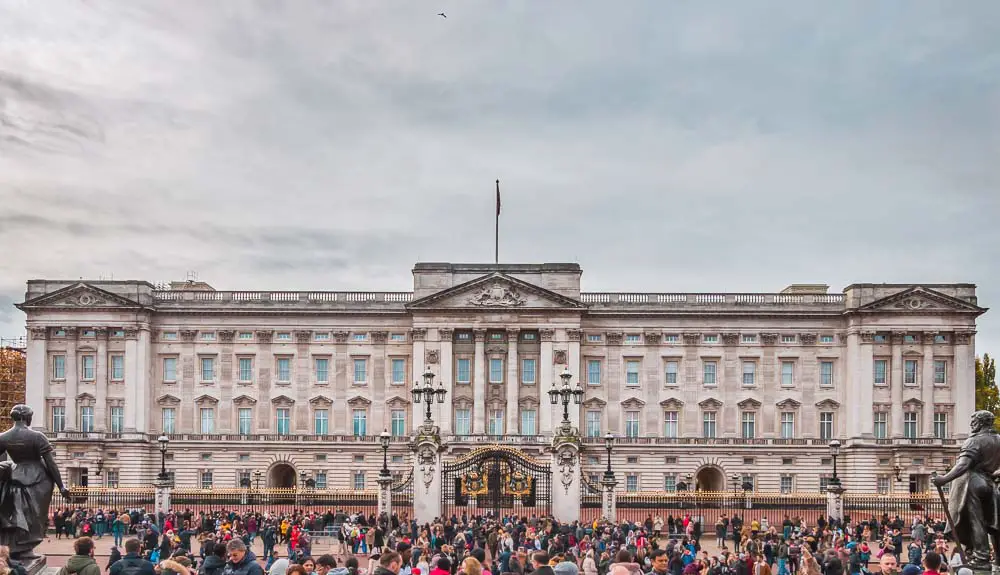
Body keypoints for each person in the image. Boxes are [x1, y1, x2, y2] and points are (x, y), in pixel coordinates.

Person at [0, 405, 71, 559]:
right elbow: (51, 464)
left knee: (20, 513)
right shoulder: (37, 436)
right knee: (35, 516)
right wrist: (61, 486)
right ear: (27, 417)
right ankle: (25, 549)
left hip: (16, 475)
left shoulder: (3, 437)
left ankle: (17, 548)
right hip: (39, 478)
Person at [933, 410, 1000, 570]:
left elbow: (963, 465)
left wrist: (943, 479)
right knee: (992, 523)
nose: (971, 425)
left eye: (974, 421)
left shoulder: (974, 440)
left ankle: (981, 557)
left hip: (973, 483)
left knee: (976, 521)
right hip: (991, 484)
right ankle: (997, 560)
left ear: (981, 423)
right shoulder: (998, 439)